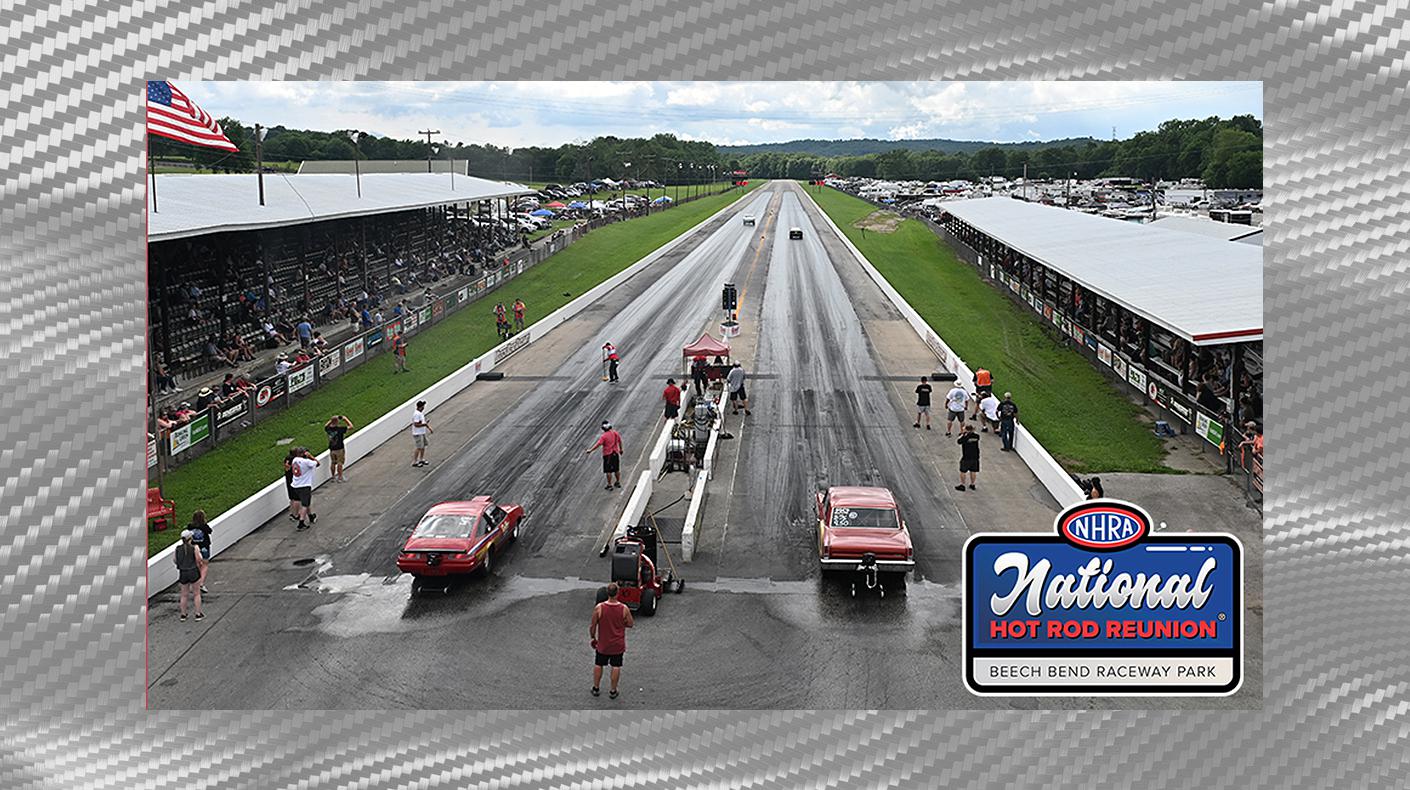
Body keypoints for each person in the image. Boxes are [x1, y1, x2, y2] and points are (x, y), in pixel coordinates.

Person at [589, 581, 634, 699]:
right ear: (617, 593)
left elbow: (593, 626)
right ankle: (613, 690)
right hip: (617, 644)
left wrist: (593, 637)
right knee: (616, 666)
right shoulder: (624, 608)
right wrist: (621, 623)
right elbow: (630, 624)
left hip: (603, 644)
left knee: (599, 664)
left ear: (607, 593)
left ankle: (596, 688)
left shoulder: (599, 608)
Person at [173, 530, 207, 622]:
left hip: (183, 572)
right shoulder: (194, 547)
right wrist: (199, 564)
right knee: (196, 593)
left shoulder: (177, 548)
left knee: (184, 594)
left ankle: (183, 614)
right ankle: (198, 614)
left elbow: (175, 560)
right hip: (193, 571)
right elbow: (199, 559)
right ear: (190, 538)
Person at [287, 448, 319, 531]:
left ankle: (310, 516)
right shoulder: (307, 462)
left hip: (295, 485)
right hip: (304, 486)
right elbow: (317, 463)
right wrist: (311, 456)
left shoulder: (294, 460)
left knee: (305, 502)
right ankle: (301, 523)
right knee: (304, 505)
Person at [585, 420, 624, 490]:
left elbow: (598, 444)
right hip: (615, 453)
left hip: (608, 455)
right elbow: (619, 441)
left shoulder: (604, 436)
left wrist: (590, 450)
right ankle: (617, 482)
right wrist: (621, 449)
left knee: (608, 471)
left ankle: (609, 485)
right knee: (616, 469)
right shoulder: (615, 433)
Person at [186, 509, 213, 594]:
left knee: (196, 565)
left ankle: (194, 583)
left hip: (194, 547)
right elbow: (210, 531)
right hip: (204, 547)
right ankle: (201, 583)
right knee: (205, 564)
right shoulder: (204, 526)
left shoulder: (190, 526)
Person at [691, 396, 717, 469]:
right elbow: (711, 415)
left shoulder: (696, 412)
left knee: (698, 451)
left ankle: (698, 461)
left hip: (698, 436)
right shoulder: (706, 410)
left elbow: (692, 417)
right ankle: (701, 461)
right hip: (704, 435)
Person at [325, 415, 352, 482]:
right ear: (337, 422)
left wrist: (332, 420)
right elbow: (351, 426)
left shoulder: (328, 429)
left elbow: (326, 425)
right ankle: (340, 477)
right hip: (339, 449)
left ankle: (333, 477)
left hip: (332, 449)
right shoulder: (340, 429)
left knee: (333, 463)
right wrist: (345, 419)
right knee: (340, 463)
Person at [956, 422, 981, 491]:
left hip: (966, 457)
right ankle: (972, 484)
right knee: (973, 471)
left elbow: (959, 441)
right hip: (975, 456)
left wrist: (963, 435)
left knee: (963, 471)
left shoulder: (965, 437)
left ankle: (962, 485)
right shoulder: (976, 436)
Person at [411, 400, 433, 467]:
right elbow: (416, 424)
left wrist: (428, 427)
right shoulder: (417, 414)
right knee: (419, 447)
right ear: (420, 407)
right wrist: (424, 424)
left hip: (422, 432)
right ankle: (415, 461)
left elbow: (422, 423)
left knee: (423, 446)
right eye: (423, 406)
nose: (423, 408)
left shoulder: (420, 414)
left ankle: (421, 459)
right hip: (418, 433)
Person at [283, 448, 301, 522]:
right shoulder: (294, 460)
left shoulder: (286, 459)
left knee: (291, 498)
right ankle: (296, 514)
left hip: (288, 479)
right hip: (294, 480)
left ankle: (292, 513)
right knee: (296, 498)